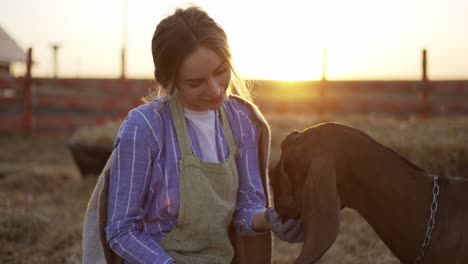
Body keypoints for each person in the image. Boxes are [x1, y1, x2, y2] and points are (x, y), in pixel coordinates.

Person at [82, 5, 303, 264]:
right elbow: (121, 230)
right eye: (195, 83)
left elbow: (245, 208)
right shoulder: (146, 127)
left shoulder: (242, 120)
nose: (216, 90)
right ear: (168, 81)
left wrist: (270, 219)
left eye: (221, 71)